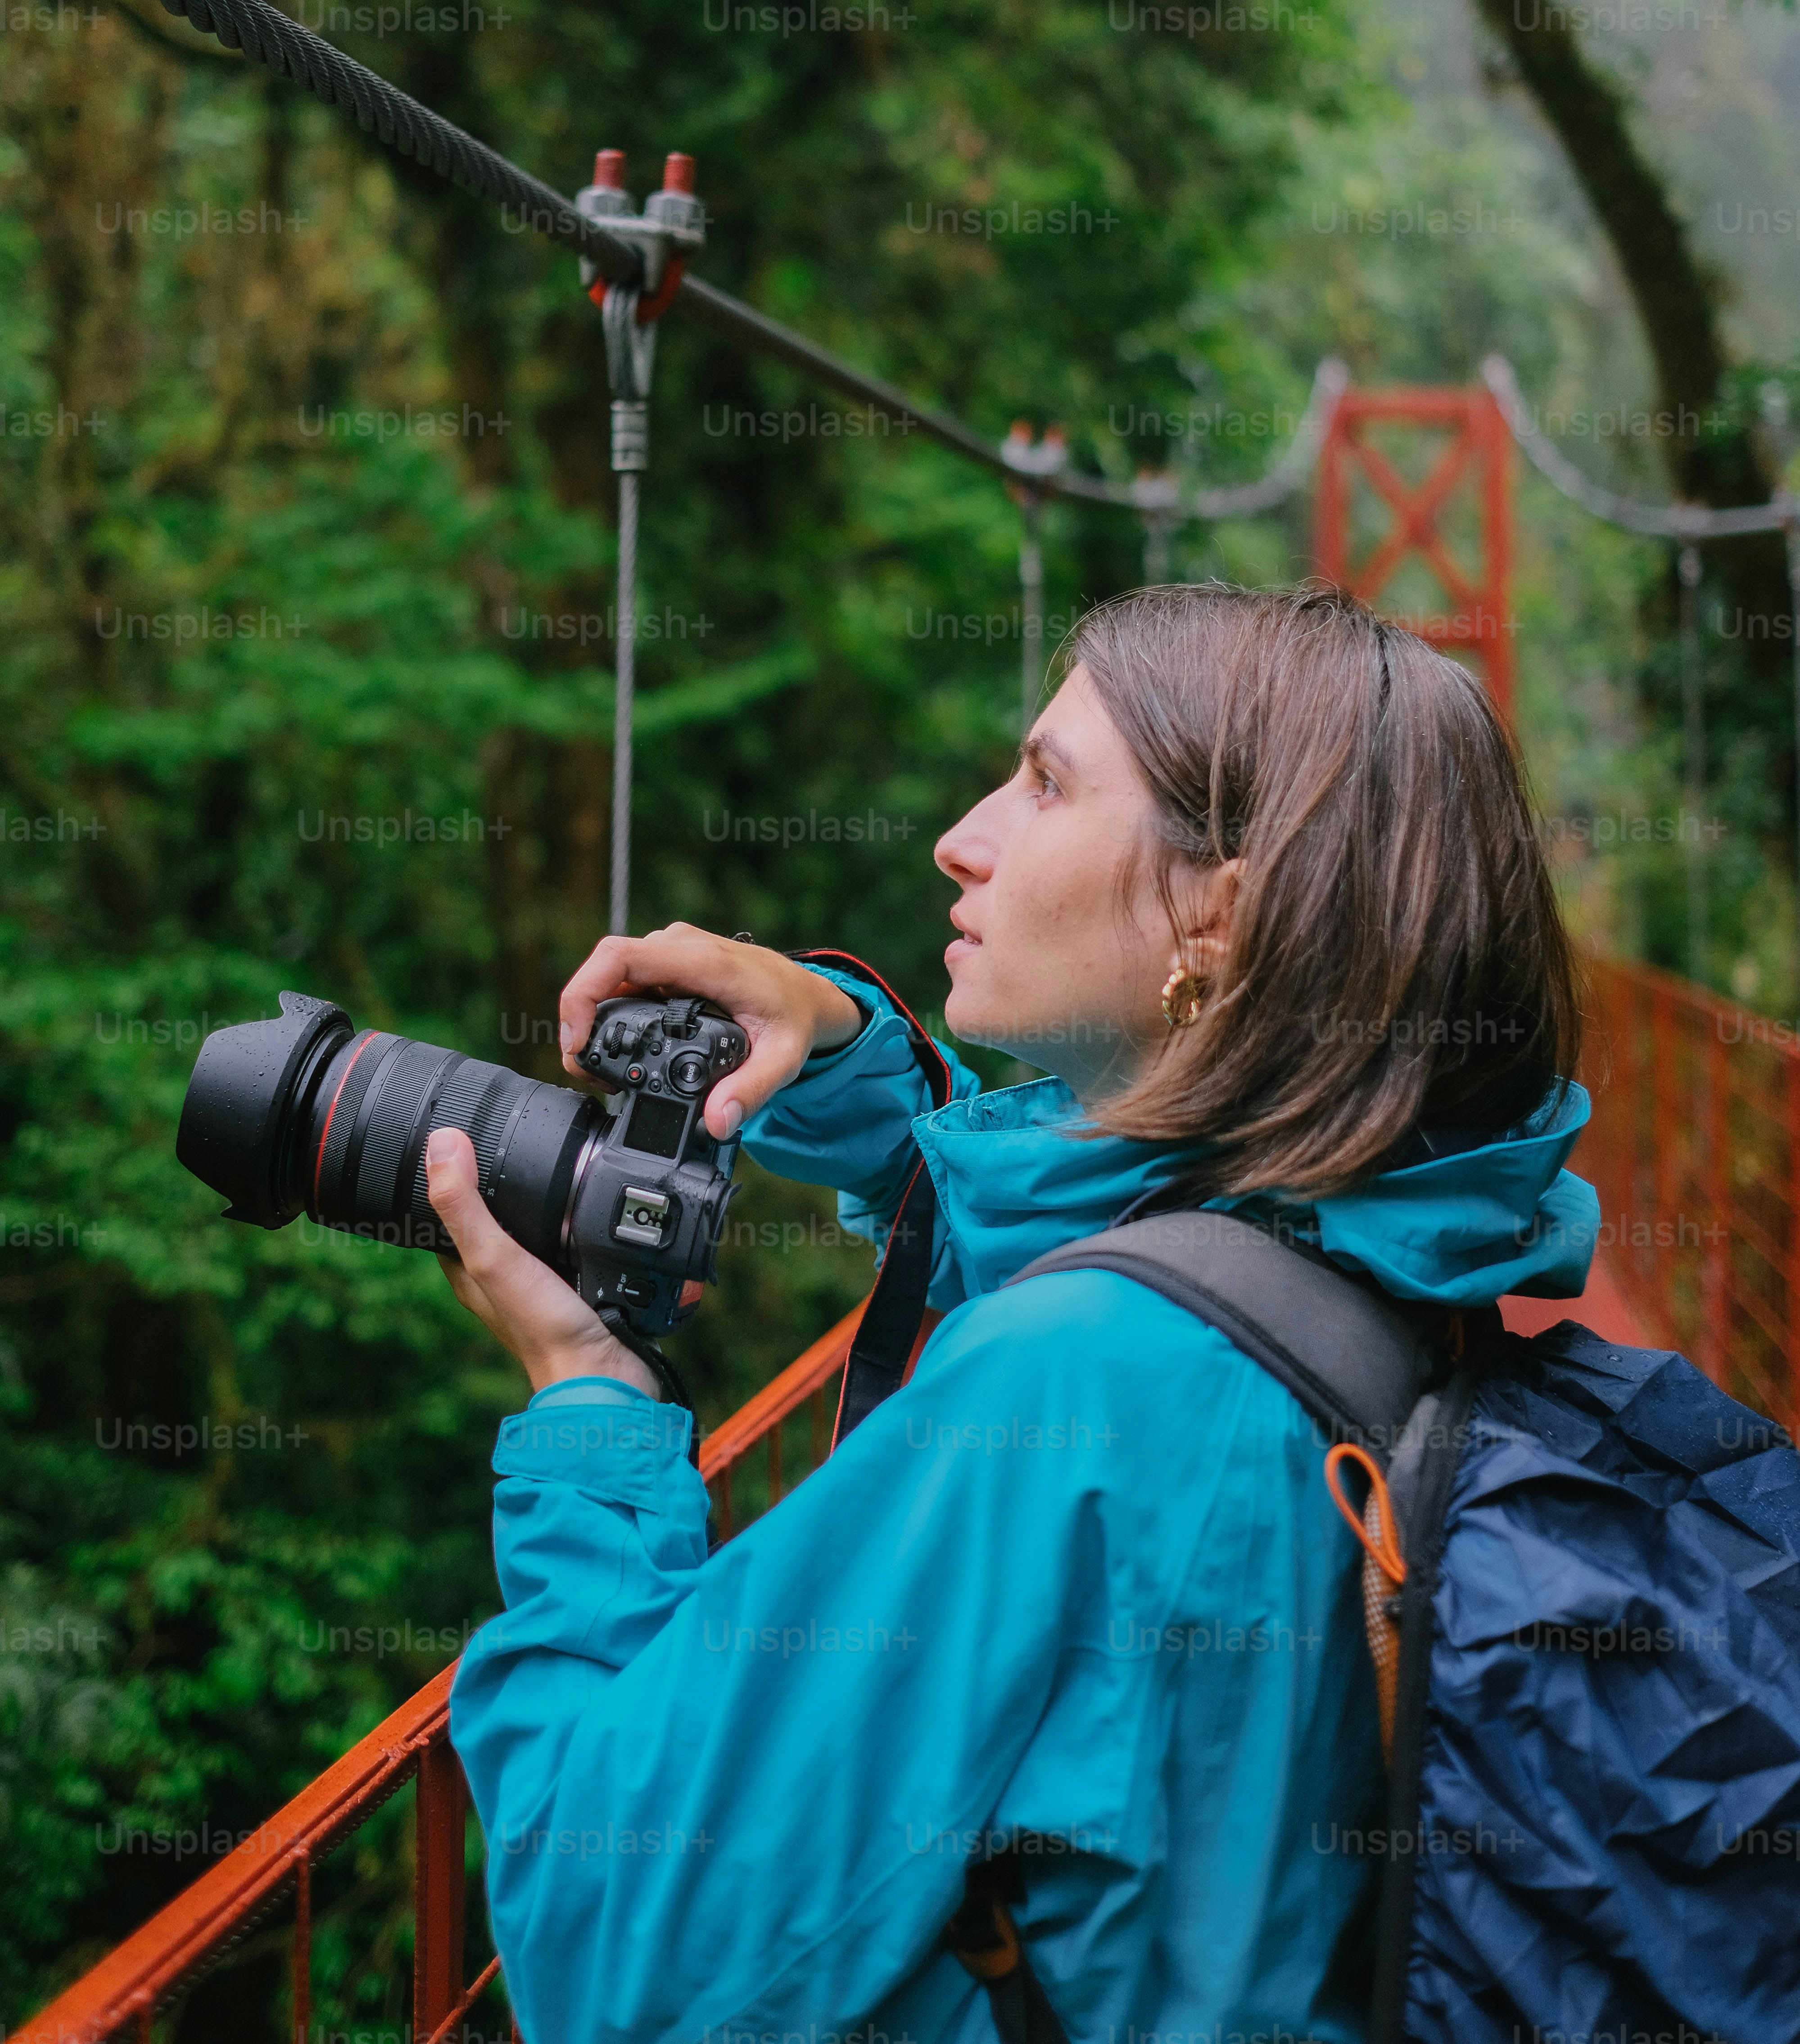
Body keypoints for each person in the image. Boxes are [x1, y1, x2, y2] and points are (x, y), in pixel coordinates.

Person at [426, 581, 1592, 2044]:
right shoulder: (1394, 1244)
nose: (962, 837)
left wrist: (590, 1411)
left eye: (1046, 784)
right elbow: (1154, 1251)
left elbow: (605, 1954)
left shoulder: (1072, 1384)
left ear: (1219, 917)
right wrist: (854, 1060)